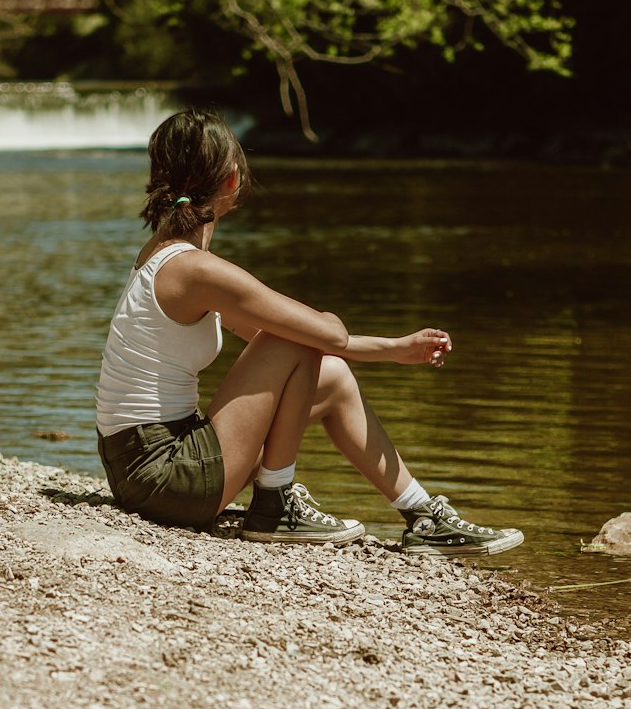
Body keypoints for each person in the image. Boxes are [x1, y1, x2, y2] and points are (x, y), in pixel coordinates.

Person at [96, 108, 523, 556]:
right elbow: (318, 334)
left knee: (333, 376)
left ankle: (422, 515)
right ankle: (275, 505)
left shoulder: (167, 255)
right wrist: (331, 326)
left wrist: (397, 349)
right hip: (165, 477)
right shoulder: (195, 269)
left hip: (148, 468)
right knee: (295, 336)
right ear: (232, 180)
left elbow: (315, 344)